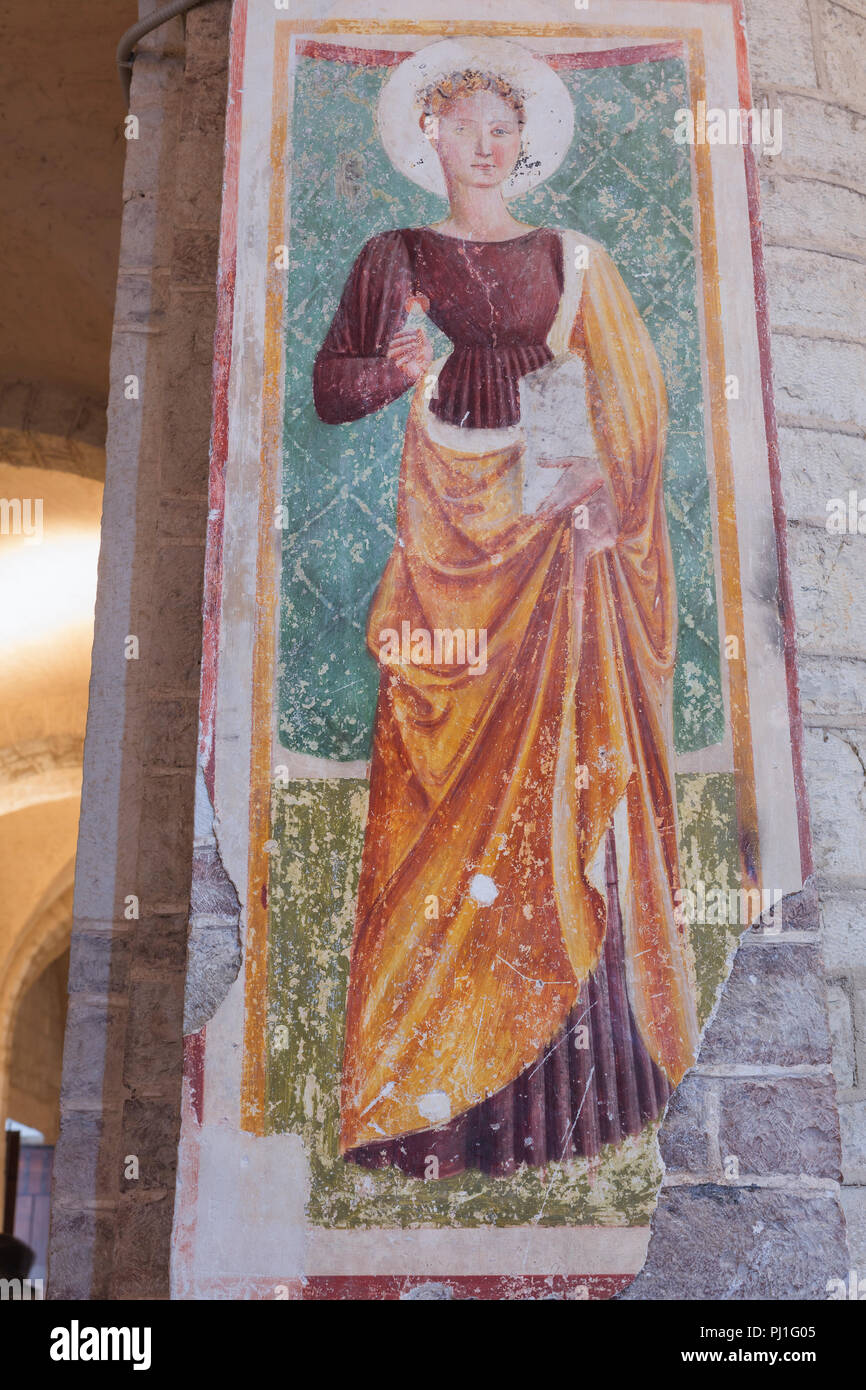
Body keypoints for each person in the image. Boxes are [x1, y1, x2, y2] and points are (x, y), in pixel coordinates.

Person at [312, 39, 700, 1178]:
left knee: (564, 785)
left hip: (557, 548)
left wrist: (590, 480)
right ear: (426, 132)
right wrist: (392, 369)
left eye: (505, 127)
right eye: (471, 123)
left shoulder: (570, 258)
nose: (490, 143)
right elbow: (337, 386)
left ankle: (571, 1096)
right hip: (446, 538)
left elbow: (626, 399)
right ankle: (422, 1102)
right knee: (437, 807)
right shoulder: (396, 255)